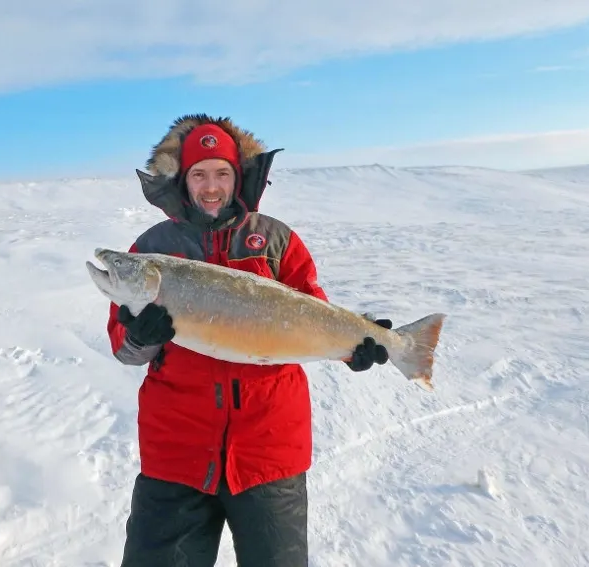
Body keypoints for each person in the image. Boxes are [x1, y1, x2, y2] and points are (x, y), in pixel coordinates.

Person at [106, 114, 393, 566]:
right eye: (199, 175)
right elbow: (125, 350)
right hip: (176, 454)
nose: (211, 187)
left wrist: (354, 345)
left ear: (238, 177)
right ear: (183, 180)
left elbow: (312, 313)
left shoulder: (276, 240)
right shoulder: (151, 249)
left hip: (269, 451)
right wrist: (141, 336)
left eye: (222, 173)